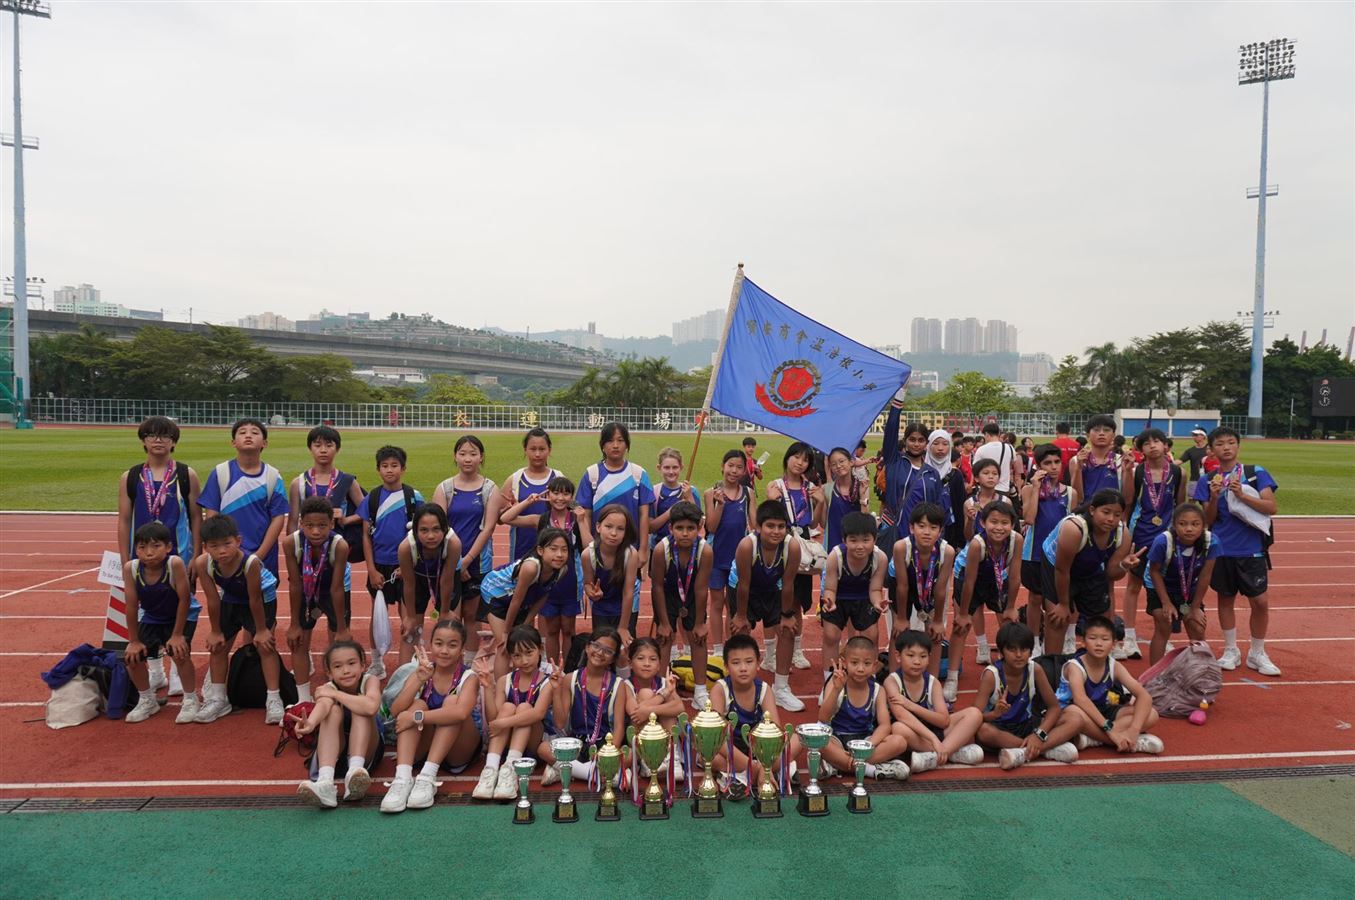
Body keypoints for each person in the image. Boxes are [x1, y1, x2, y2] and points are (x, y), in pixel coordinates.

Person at [117, 417, 200, 699]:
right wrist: (125, 557)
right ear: (143, 441)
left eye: (165, 435)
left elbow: (196, 517)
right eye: (151, 435)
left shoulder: (186, 474)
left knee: (181, 605)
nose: (158, 440)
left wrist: (196, 554)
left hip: (179, 554)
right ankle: (155, 669)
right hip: (142, 556)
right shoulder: (130, 477)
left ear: (173, 442)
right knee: (146, 608)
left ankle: (177, 668)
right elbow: (124, 519)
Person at [1195, 426, 1280, 676]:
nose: (1226, 447)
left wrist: (1241, 495)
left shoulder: (1255, 473)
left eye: (1231, 442)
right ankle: (1231, 650)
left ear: (1238, 446)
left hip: (1252, 549)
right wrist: (1213, 497)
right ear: (1211, 449)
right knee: (1225, 598)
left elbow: (1271, 507)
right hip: (1222, 548)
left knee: (1260, 602)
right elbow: (1207, 520)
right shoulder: (1208, 480)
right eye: (1220, 444)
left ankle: (1257, 652)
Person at [381, 620, 482, 813]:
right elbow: (396, 711)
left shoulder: (469, 677)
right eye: (439, 643)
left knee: (451, 704)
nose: (444, 650)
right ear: (431, 645)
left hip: (459, 749)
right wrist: (419, 680)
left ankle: (428, 776)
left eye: (452, 645)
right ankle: (402, 778)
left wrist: (416, 718)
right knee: (417, 704)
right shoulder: (423, 671)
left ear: (462, 649)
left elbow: (461, 713)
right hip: (427, 745)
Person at [193, 514, 282, 724]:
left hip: (261, 598)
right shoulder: (203, 563)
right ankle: (218, 699)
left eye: (227, 544)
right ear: (205, 547)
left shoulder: (250, 562)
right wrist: (216, 631)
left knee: (264, 646)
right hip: (231, 596)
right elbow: (213, 599)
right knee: (218, 647)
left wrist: (261, 630)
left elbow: (255, 599)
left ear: (238, 541)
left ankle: (274, 698)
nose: (222, 551)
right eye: (214, 546)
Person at [1041, 489, 1140, 657]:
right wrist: (1064, 604)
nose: (1111, 519)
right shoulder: (1074, 529)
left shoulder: (1122, 534)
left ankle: (1098, 667)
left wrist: (1124, 566)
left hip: (1090, 567)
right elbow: (1062, 570)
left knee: (1101, 621)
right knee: (1058, 619)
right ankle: (1051, 664)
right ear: (1092, 510)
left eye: (1117, 515)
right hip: (1056, 567)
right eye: (1106, 512)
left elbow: (1111, 573)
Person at [972, 622, 1081, 771]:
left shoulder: (1035, 669)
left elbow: (1054, 707)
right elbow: (975, 716)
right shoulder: (992, 675)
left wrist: (1039, 735)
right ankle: (1043, 749)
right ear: (1001, 652)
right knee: (983, 731)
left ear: (1030, 652)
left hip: (1027, 725)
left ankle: (1025, 751)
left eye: (1023, 649)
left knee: (1075, 719)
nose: (1018, 654)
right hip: (1000, 729)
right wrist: (995, 714)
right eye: (1012, 649)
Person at [121, 522, 199, 724]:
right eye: (142, 547)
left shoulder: (174, 564)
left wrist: (177, 635)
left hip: (181, 615)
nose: (149, 553)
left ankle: (191, 699)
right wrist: (134, 640)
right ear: (136, 549)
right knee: (132, 657)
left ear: (168, 547)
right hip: (152, 616)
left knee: (179, 652)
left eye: (156, 546)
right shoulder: (131, 568)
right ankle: (147, 699)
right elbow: (131, 605)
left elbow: (184, 599)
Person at [730, 500, 804, 711]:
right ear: (758, 527)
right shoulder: (747, 546)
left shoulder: (791, 546)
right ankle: (738, 688)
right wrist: (741, 616)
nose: (776, 531)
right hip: (744, 589)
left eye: (781, 526)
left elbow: (788, 584)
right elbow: (744, 585)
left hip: (773, 588)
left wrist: (787, 615)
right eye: (770, 526)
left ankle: (781, 688)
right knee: (740, 632)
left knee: (788, 629)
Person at [708, 634, 802, 798]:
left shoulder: (764, 689)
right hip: (730, 749)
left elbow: (776, 733)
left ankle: (740, 776)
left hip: (759, 749)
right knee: (712, 757)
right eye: (736, 663)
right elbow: (716, 737)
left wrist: (763, 761)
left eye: (749, 662)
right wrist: (758, 767)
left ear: (758, 664)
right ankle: (768, 772)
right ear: (726, 667)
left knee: (798, 740)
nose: (743, 668)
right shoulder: (720, 689)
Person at [946, 500, 1023, 701]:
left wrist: (1011, 606)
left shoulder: (1017, 540)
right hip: (967, 576)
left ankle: (1008, 674)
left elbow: (1015, 576)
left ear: (1013, 524)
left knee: (1008, 623)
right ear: (982, 523)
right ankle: (952, 678)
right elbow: (970, 582)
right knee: (960, 627)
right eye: (993, 522)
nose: (999, 527)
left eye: (1004, 523)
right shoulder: (976, 545)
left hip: (997, 577)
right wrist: (964, 614)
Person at [1118, 428, 1184, 660]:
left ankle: (1164, 636)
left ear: (1166, 445)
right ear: (1141, 449)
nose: (1152, 445)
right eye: (1147, 443)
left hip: (1167, 538)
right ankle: (1129, 637)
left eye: (1157, 441)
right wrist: (1127, 472)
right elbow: (1127, 501)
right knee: (1134, 585)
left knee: (1166, 587)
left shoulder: (1177, 472)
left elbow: (1181, 505)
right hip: (1141, 534)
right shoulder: (1137, 471)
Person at [1056, 615, 1164, 754]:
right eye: (1093, 638)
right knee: (1075, 714)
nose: (1099, 643)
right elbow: (1080, 700)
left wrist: (1134, 730)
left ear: (1113, 644)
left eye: (1105, 639)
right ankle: (1122, 741)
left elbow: (1144, 696)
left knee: (1152, 714)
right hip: (1073, 712)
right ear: (1082, 642)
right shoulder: (1075, 667)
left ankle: (1095, 739)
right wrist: (1109, 729)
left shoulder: (1114, 666)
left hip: (1102, 711)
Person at [502, 476, 582, 664]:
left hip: (570, 580)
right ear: (548, 494)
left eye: (566, 493)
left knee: (569, 629)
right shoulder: (540, 520)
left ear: (571, 497)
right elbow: (506, 518)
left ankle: (568, 669)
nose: (560, 498)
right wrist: (528, 501)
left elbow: (588, 546)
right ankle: (552, 668)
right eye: (556, 493)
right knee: (551, 629)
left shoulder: (577, 519)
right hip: (547, 581)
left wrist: (583, 521)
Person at [293, 641, 383, 808]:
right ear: (329, 672)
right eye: (338, 666)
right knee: (332, 711)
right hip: (336, 752)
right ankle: (325, 782)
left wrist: (336, 695)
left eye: (351, 663)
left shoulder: (370, 681)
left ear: (363, 665)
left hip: (366, 751)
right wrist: (310, 723)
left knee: (361, 707)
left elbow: (371, 707)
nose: (346, 670)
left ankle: (354, 773)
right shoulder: (327, 688)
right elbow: (323, 705)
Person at [197, 419, 288, 581]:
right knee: (229, 596)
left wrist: (258, 555)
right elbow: (212, 517)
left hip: (264, 557)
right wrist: (222, 550)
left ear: (265, 443)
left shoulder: (273, 476)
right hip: (227, 557)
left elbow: (278, 519)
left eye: (255, 432)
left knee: (263, 596)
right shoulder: (220, 473)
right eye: (242, 432)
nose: (248, 436)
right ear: (233, 442)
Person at [431, 435, 499, 652]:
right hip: (448, 562)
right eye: (462, 453)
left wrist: (467, 561)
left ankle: (469, 664)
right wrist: (456, 563)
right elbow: (438, 527)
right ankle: (449, 661)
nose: (467, 458)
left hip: (478, 562)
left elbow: (488, 528)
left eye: (473, 453)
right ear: (455, 456)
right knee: (450, 615)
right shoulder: (444, 488)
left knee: (471, 616)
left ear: (481, 457)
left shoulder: (489, 488)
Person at [472, 625, 555, 801]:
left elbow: (538, 714)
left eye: (529, 653)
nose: (524, 660)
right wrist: (488, 687)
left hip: (533, 745)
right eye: (517, 655)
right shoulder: (505, 681)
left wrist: (504, 723)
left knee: (525, 708)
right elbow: (494, 719)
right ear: (510, 657)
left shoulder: (548, 682)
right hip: (506, 742)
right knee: (508, 707)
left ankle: (511, 770)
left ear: (540, 650)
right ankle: (491, 769)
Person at [883, 630, 983, 771]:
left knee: (974, 714)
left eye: (923, 656)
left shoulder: (932, 682)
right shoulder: (892, 681)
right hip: (914, 734)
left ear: (929, 658)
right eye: (910, 655)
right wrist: (933, 739)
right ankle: (950, 752)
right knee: (898, 728)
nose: (917, 661)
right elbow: (901, 716)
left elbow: (944, 721)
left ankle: (936, 756)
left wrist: (910, 705)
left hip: (935, 732)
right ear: (898, 656)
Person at [285, 497, 354, 703]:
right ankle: (303, 699)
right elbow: (294, 584)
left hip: (333, 589)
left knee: (340, 643)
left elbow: (336, 588)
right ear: (301, 524)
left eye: (322, 526)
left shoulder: (340, 546)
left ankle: (338, 693)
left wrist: (341, 627)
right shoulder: (291, 543)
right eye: (309, 526)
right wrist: (294, 623)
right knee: (298, 642)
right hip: (305, 589)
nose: (316, 531)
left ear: (332, 524)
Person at [481, 527, 571, 678]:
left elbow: (542, 596)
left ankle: (525, 684)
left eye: (564, 550)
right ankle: (500, 689)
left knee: (524, 642)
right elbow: (516, 601)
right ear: (540, 550)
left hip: (519, 600)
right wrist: (506, 633)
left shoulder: (562, 570)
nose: (559, 554)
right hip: (495, 594)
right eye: (553, 549)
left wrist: (527, 622)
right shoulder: (531, 567)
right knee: (506, 646)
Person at [817, 637, 910, 781]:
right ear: (844, 663)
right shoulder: (836, 683)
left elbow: (885, 725)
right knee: (819, 743)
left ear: (874, 666)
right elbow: (823, 718)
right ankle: (870, 769)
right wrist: (836, 690)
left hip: (865, 741)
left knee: (899, 742)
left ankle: (840, 765)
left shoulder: (878, 690)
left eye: (866, 663)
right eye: (854, 663)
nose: (860, 669)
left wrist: (868, 745)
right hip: (837, 741)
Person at [542, 627, 626, 786]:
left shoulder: (618, 684)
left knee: (629, 755)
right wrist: (556, 690)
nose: (600, 652)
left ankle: (566, 770)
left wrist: (610, 753)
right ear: (587, 647)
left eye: (608, 651)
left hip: (605, 744)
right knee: (543, 748)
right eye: (596, 646)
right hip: (576, 744)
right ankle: (595, 774)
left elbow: (619, 726)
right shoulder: (570, 679)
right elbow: (559, 723)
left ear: (613, 659)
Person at [766, 441, 823, 674]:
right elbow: (767, 518)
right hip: (780, 543)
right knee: (776, 598)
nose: (800, 463)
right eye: (796, 457)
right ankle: (771, 654)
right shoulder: (775, 486)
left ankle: (797, 650)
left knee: (797, 599)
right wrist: (772, 500)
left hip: (802, 545)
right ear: (787, 458)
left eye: (805, 459)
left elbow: (814, 523)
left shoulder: (810, 488)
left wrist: (820, 502)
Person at [650, 501, 713, 708]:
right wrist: (663, 622)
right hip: (668, 592)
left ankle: (700, 691)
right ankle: (662, 687)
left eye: (690, 528)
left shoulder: (705, 550)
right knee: (664, 637)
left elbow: (701, 588)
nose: (685, 533)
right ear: (670, 528)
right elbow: (657, 586)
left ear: (699, 527)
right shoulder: (661, 550)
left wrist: (700, 622)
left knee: (698, 638)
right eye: (679, 528)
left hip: (693, 593)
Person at [1019, 444, 1079, 657]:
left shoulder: (1070, 493)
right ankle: (1034, 642)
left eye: (1057, 462)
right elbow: (1029, 518)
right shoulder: (1028, 489)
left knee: (1061, 599)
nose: (1053, 467)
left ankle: (1066, 638)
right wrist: (1036, 488)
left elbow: (1074, 523)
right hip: (1034, 552)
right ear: (1038, 466)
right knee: (1035, 599)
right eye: (1047, 463)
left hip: (1060, 554)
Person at [1144, 502, 1220, 662]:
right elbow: (1154, 572)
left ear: (1203, 525)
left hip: (1189, 585)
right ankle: (1155, 674)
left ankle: (1200, 670)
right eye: (1183, 524)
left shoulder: (1211, 542)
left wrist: (1195, 607)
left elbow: (1205, 575)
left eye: (1195, 524)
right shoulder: (1163, 542)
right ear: (1174, 525)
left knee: (1197, 626)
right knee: (1164, 623)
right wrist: (1166, 602)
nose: (1189, 529)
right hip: (1161, 584)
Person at [819, 512, 888, 686]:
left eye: (866, 540)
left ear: (875, 539)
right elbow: (830, 588)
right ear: (844, 540)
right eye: (853, 540)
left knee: (871, 634)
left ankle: (869, 677)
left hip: (864, 596)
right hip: (838, 595)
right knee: (831, 635)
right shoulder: (835, 556)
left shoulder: (880, 558)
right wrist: (829, 601)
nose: (860, 546)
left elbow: (875, 589)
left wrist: (878, 602)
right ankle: (829, 679)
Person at [575, 422, 654, 572]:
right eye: (610, 441)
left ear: (627, 445)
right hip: (599, 551)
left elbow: (644, 515)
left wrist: (643, 549)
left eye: (620, 440)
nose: (615, 445)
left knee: (629, 587)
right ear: (602, 445)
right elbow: (586, 515)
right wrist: (589, 548)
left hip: (630, 550)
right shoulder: (592, 474)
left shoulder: (638, 474)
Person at [890, 502, 954, 671]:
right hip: (901, 585)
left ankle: (931, 680)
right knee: (898, 631)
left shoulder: (947, 552)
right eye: (922, 526)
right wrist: (901, 618)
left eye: (933, 527)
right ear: (912, 528)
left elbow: (941, 590)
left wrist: (938, 621)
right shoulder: (901, 547)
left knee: (935, 634)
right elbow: (902, 586)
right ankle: (893, 678)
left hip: (931, 586)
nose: (927, 532)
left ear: (940, 531)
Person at [705, 450, 754, 662]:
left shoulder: (748, 493)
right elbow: (711, 527)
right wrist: (720, 505)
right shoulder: (711, 493)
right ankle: (717, 648)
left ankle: (731, 645)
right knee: (717, 603)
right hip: (716, 556)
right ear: (722, 466)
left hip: (739, 559)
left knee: (733, 605)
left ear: (744, 471)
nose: (734, 471)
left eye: (739, 467)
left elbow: (755, 524)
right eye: (730, 465)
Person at [396, 503, 462, 659]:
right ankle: (405, 672)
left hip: (445, 580)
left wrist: (444, 611)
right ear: (415, 530)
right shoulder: (406, 547)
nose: (431, 536)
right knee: (410, 633)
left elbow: (447, 580)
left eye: (436, 529)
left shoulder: (453, 544)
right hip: (417, 580)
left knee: (450, 631)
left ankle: (452, 673)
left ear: (445, 529)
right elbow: (409, 584)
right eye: (424, 530)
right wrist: (410, 617)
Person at [582, 505, 644, 666]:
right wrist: (592, 593)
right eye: (608, 526)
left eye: (620, 529)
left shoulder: (630, 554)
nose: (614, 533)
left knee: (625, 651)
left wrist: (623, 627)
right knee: (602, 650)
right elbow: (587, 584)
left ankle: (625, 678)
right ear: (598, 527)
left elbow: (628, 592)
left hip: (625, 608)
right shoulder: (588, 554)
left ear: (626, 532)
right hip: (601, 607)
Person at [285, 425, 364, 540]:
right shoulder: (298, 483)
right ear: (310, 448)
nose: (323, 450)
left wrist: (346, 520)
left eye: (329, 445)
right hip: (307, 544)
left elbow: (366, 513)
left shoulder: (347, 481)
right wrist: (293, 546)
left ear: (337, 449)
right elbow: (292, 521)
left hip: (338, 544)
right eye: (317, 445)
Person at [624, 638, 686, 781]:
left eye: (653, 659)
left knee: (669, 706)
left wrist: (652, 710)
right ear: (630, 663)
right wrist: (664, 694)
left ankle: (671, 757)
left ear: (659, 665)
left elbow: (679, 707)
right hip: (639, 737)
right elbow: (636, 712)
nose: (647, 664)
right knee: (646, 693)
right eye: (640, 658)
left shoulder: (665, 682)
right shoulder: (625, 685)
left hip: (664, 737)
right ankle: (647, 760)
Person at [498, 427, 561, 563]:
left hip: (552, 549)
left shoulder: (558, 478)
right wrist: (512, 508)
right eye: (533, 449)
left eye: (542, 449)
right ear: (525, 450)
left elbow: (569, 512)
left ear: (549, 450)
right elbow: (500, 519)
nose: (537, 454)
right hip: (520, 548)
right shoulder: (515, 479)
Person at [876, 391, 929, 548]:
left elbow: (936, 509)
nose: (916, 444)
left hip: (919, 534)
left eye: (921, 440)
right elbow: (891, 430)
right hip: (892, 529)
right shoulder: (894, 461)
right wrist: (899, 397)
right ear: (905, 441)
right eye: (912, 439)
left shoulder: (931, 473)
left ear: (926, 443)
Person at [1070, 415, 1133, 502]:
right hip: (1085, 510)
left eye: (1106, 430)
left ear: (1113, 435)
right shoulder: (1076, 460)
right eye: (1096, 430)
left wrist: (1128, 471)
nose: (1101, 433)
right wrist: (1078, 469)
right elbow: (1077, 498)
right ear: (1088, 435)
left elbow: (1128, 500)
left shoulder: (1121, 461)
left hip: (1113, 509)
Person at [649, 447, 698, 549]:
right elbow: (650, 528)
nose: (671, 472)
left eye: (675, 467)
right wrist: (671, 511)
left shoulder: (691, 491)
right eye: (666, 468)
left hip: (686, 548)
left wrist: (690, 498)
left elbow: (699, 522)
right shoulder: (654, 492)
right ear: (659, 468)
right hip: (659, 547)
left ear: (681, 467)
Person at [824, 447, 870, 552]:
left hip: (855, 544)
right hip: (833, 544)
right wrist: (820, 501)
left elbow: (865, 520)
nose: (838, 466)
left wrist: (863, 497)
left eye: (841, 461)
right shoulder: (828, 489)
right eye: (833, 464)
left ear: (851, 462)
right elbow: (823, 523)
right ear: (830, 467)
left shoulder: (861, 487)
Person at [971, 423, 1021, 494]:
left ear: (987, 434)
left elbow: (975, 468)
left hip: (986, 488)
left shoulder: (981, 449)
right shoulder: (1009, 448)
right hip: (1004, 488)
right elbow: (1012, 464)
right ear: (999, 433)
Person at [1178, 429, 1210, 499]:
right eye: (1193, 435)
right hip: (1194, 479)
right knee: (1191, 500)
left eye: (1196, 435)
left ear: (1203, 436)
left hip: (1209, 479)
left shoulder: (1211, 449)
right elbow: (1180, 461)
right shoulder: (1190, 451)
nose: (1194, 437)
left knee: (1207, 500)